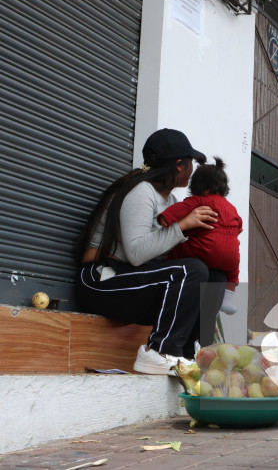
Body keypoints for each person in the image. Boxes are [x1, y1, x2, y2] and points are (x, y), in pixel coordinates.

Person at [74, 128, 226, 375]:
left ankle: (193, 355)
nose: (192, 169)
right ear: (179, 165)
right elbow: (135, 253)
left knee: (213, 276)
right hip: (101, 280)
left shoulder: (171, 203)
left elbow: (164, 254)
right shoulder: (142, 192)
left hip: (132, 280)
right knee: (193, 271)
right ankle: (160, 351)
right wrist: (182, 226)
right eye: (190, 163)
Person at [158, 157, 242, 315]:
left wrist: (165, 218)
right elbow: (238, 224)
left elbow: (180, 209)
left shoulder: (199, 201)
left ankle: (164, 266)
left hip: (205, 249)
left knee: (177, 250)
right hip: (230, 256)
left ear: (198, 185)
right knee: (232, 273)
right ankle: (227, 299)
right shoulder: (231, 207)